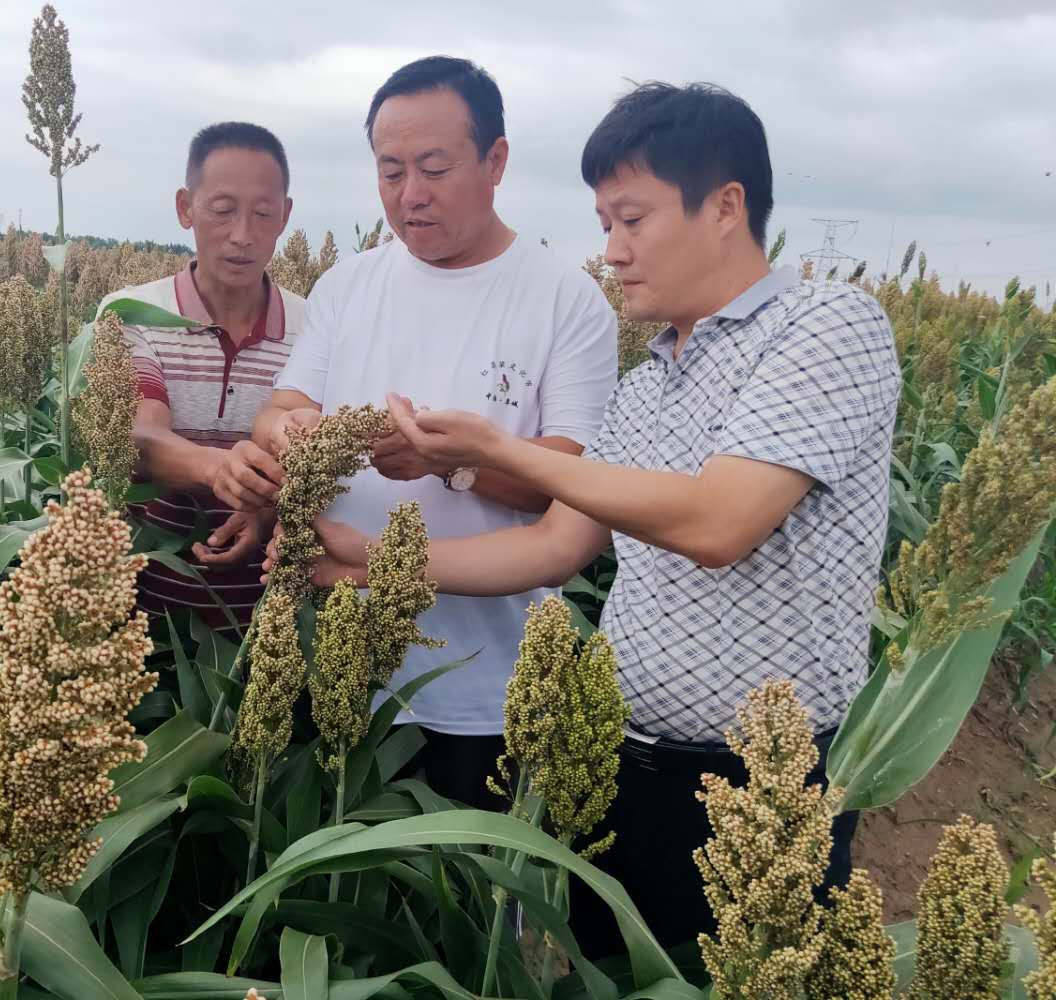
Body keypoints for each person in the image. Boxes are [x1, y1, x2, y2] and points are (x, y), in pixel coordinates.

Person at [285, 81, 901, 955]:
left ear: (725, 207)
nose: (611, 251)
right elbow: (555, 545)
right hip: (613, 763)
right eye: (605, 223)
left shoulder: (825, 326)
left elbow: (720, 523)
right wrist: (366, 561)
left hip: (766, 786)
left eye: (632, 220)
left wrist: (496, 449)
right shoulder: (648, 385)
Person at [250, 56, 619, 808]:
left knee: (462, 880)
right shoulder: (347, 286)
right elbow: (277, 410)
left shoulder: (567, 301)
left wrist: (447, 462)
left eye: (435, 168)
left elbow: (575, 485)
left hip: (487, 691)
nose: (410, 194)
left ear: (496, 161)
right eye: (390, 172)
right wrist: (293, 435)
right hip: (336, 656)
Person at [99, 121, 304, 636]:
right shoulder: (131, 313)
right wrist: (220, 469)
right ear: (185, 207)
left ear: (285, 216)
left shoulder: (313, 329)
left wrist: (263, 510)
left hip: (262, 632)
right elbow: (136, 437)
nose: (243, 234)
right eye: (223, 209)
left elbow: (317, 460)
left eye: (263, 214)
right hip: (136, 625)